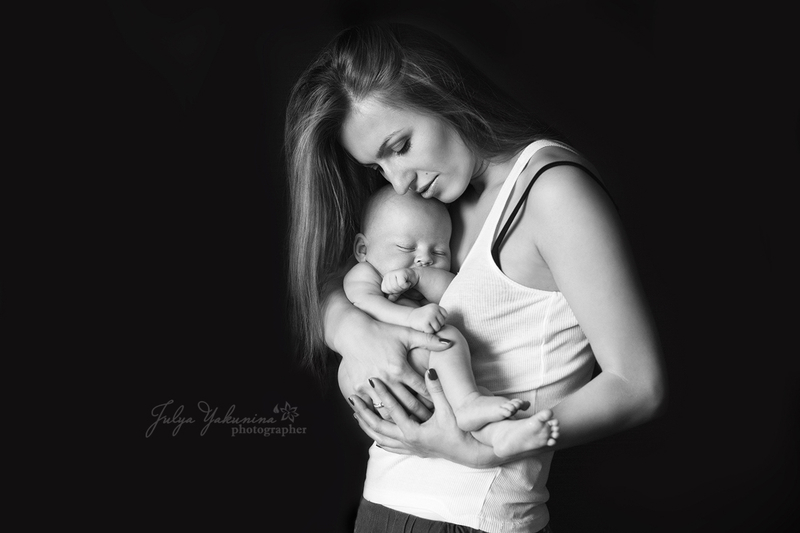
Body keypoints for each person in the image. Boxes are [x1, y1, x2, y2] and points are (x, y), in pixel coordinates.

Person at [285, 21, 666, 533]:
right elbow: (349, 274)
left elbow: (638, 385)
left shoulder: (551, 194)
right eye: (378, 168)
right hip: (381, 508)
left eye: (400, 146)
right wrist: (352, 328)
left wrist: (482, 450)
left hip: (468, 520)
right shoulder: (439, 201)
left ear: (441, 90)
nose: (399, 182)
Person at [342, 184, 560, 453]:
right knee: (447, 338)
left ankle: (499, 433)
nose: (424, 258)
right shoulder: (364, 273)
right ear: (363, 249)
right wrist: (411, 316)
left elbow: (452, 293)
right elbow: (366, 304)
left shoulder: (420, 277)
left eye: (439, 252)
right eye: (406, 247)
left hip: (420, 371)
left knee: (466, 393)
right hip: (373, 378)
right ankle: (469, 404)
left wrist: (420, 278)